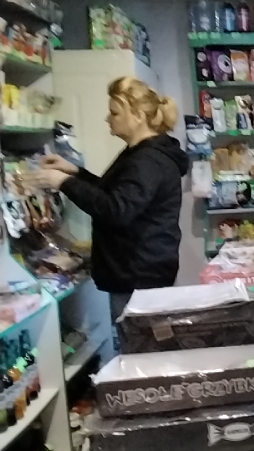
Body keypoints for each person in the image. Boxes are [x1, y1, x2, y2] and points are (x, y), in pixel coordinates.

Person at [24, 77, 189, 322]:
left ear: (138, 116)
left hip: (138, 278)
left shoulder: (147, 160)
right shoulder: (142, 153)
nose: (107, 118)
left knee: (137, 342)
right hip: (141, 271)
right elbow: (116, 193)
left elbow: (116, 209)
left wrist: (63, 182)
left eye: (114, 113)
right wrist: (76, 172)